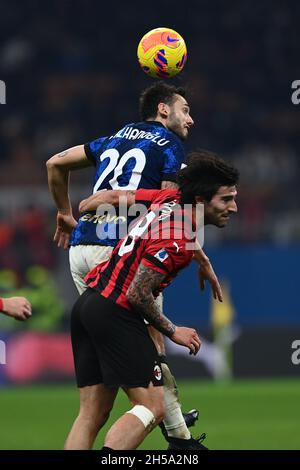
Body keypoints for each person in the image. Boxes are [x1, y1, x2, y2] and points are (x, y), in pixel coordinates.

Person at [47, 81, 222, 448]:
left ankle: (172, 422)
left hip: (79, 251)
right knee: (150, 343)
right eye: (185, 110)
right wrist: (200, 256)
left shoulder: (112, 138)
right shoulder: (171, 146)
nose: (191, 119)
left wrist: (64, 212)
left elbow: (55, 163)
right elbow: (171, 210)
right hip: (118, 251)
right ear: (163, 110)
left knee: (96, 406)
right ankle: (177, 432)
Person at [65, 151, 239, 450]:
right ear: (200, 202)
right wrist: (174, 331)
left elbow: (122, 194)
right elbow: (137, 293)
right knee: (152, 407)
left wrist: (89, 203)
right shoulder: (178, 238)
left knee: (91, 414)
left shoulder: (167, 200)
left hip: (87, 306)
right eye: (226, 200)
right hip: (114, 312)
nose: (233, 207)